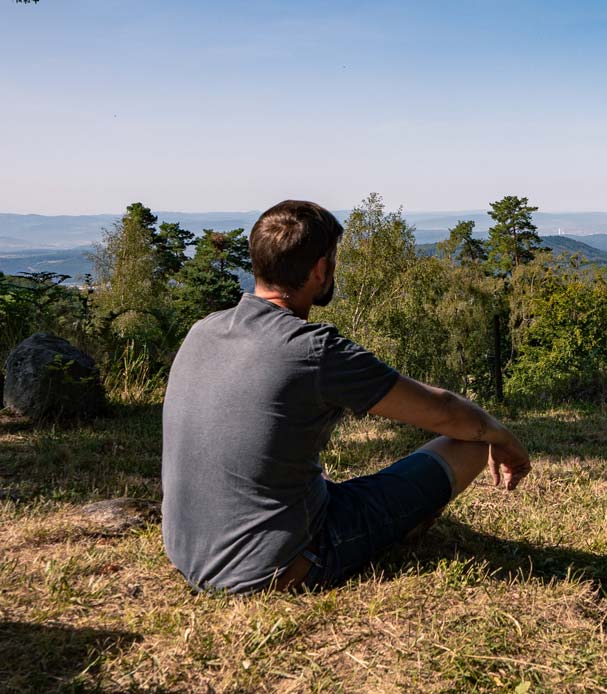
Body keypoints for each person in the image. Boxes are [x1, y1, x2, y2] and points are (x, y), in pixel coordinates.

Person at [160, 199, 531, 593]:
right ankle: (397, 530)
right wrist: (502, 437)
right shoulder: (313, 350)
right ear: (320, 269)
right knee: (471, 444)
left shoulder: (203, 329)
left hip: (187, 553)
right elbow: (443, 412)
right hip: (277, 567)